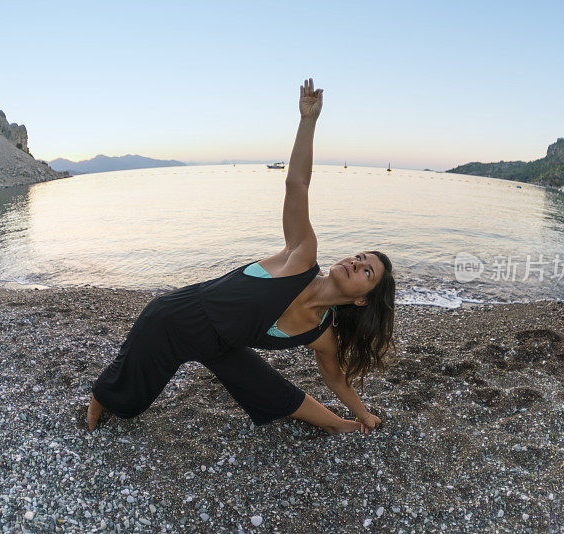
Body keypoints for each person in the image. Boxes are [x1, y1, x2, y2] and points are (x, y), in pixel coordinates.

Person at [87, 78, 395, 435]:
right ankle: (98, 398)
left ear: (361, 299)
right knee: (126, 404)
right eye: (359, 256)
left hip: (222, 347)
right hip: (174, 320)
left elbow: (336, 380)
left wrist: (364, 413)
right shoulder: (301, 256)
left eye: (366, 271)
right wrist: (308, 121)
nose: (356, 262)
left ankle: (341, 425)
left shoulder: (322, 333)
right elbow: (297, 183)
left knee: (271, 389)